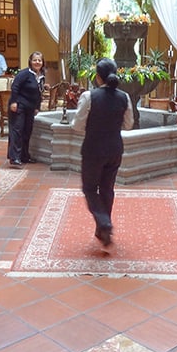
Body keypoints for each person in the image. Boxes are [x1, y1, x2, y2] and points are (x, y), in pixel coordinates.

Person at [72, 58, 134, 246]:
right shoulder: (124, 97)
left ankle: (104, 223)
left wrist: (93, 128)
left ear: (98, 77)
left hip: (93, 149)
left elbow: (77, 125)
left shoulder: (89, 97)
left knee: (90, 188)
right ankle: (102, 230)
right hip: (115, 148)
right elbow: (129, 125)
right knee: (107, 188)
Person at [7, 51, 45, 167]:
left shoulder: (41, 76)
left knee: (27, 131)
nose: (37, 62)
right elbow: (15, 87)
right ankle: (14, 158)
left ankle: (24, 156)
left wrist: (37, 107)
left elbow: (39, 93)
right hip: (19, 106)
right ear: (30, 61)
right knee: (17, 131)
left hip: (30, 108)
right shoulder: (24, 74)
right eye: (35, 60)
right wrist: (13, 102)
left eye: (39, 60)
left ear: (42, 63)